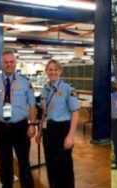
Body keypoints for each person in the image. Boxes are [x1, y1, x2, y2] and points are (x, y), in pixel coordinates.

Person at [0, 51, 36, 188]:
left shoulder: (25, 82)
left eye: (11, 61)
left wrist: (32, 124)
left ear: (15, 63)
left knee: (24, 162)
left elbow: (32, 105)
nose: (9, 64)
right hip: (1, 127)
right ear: (1, 64)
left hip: (21, 127)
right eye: (6, 62)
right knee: (4, 162)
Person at [36, 59, 80, 188]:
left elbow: (75, 113)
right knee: (50, 164)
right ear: (46, 71)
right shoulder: (45, 89)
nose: (53, 72)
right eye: (50, 69)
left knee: (64, 166)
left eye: (56, 69)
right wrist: (39, 131)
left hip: (63, 130)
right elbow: (44, 113)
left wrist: (70, 136)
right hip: (48, 130)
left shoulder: (68, 88)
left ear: (60, 71)